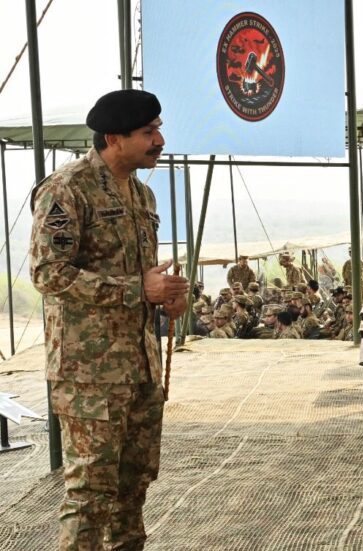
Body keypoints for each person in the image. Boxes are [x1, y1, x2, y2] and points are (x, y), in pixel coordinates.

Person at [30, 89, 189, 550]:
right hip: (89, 375)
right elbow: (48, 274)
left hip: (140, 366)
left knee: (133, 486)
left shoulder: (142, 194)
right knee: (90, 493)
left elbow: (142, 274)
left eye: (158, 130)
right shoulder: (66, 189)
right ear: (115, 138)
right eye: (148, 132)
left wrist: (166, 297)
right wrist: (138, 289)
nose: (159, 141)